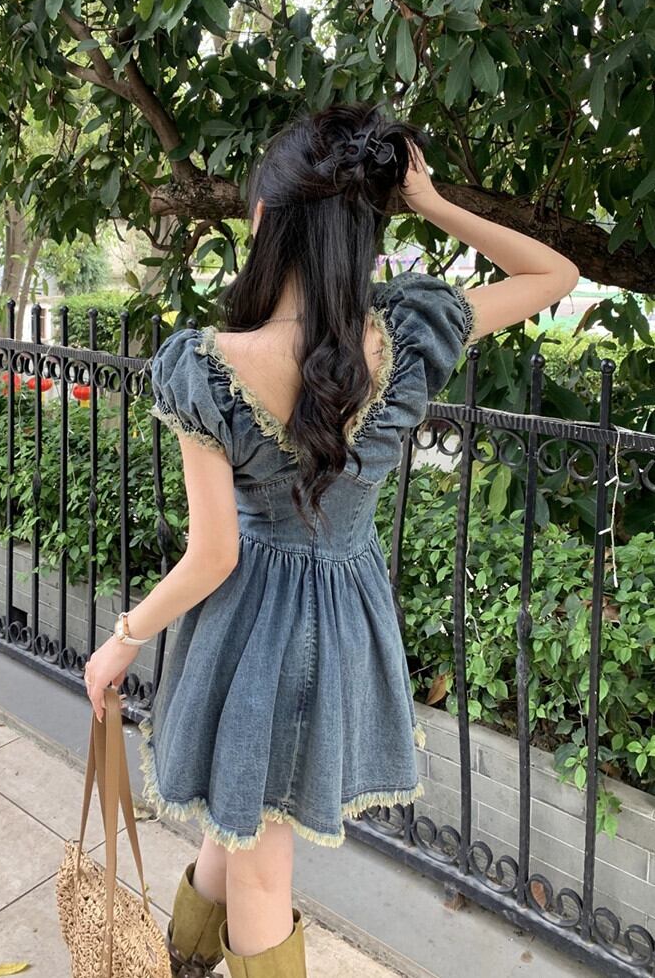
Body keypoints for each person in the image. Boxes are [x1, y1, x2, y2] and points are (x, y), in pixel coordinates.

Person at [82, 100, 579, 977]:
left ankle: (187, 960)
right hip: (345, 620)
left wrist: (122, 638)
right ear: (361, 231)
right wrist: (431, 202)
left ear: (264, 219)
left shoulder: (207, 365)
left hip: (249, 630)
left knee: (259, 863)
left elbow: (214, 555)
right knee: (241, 821)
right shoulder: (406, 339)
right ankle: (181, 962)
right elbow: (555, 274)